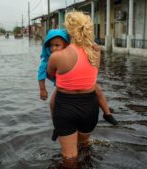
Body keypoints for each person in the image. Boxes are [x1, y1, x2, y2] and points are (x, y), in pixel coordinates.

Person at [46, 11, 111, 166]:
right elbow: (92, 75)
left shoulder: (57, 56)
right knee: (84, 145)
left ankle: (57, 128)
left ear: (69, 31)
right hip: (90, 107)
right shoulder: (96, 51)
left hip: (65, 107)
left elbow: (50, 75)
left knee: (69, 156)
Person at [38, 29, 118, 139]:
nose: (53, 48)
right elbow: (41, 74)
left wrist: (93, 46)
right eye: (51, 46)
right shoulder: (49, 59)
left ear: (66, 44)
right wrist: (42, 89)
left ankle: (107, 113)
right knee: (52, 103)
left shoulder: (73, 52)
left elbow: (88, 57)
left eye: (57, 45)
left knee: (98, 91)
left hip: (83, 84)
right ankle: (56, 126)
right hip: (63, 85)